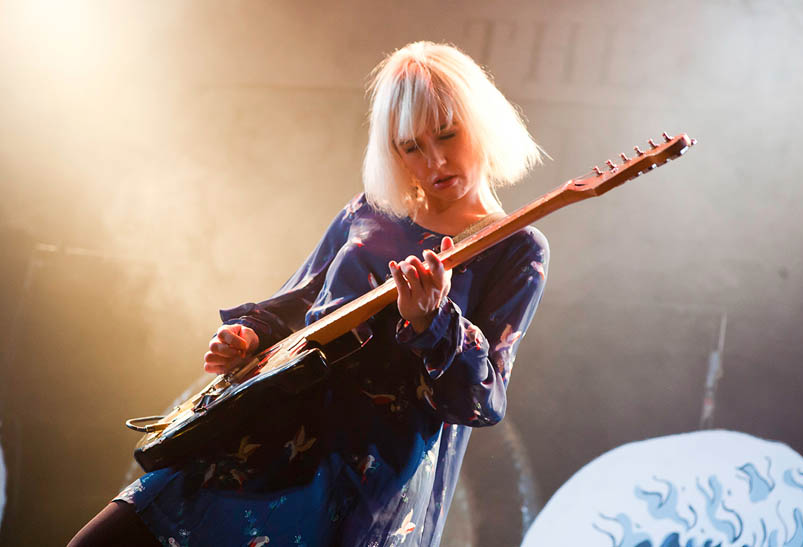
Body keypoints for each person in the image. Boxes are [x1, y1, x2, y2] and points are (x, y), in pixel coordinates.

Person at [70, 40, 549, 547]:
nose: (435, 160)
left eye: (448, 135)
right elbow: (295, 305)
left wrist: (436, 323)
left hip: (363, 482)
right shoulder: (367, 213)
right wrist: (247, 337)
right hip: (264, 438)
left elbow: (482, 402)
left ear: (483, 125)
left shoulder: (517, 249)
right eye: (412, 146)